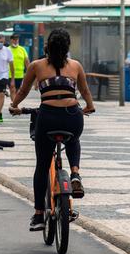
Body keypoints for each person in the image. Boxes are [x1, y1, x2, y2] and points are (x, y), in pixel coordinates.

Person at [10, 29, 95, 230]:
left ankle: (39, 214)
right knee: (73, 140)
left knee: (42, 165)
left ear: (47, 46)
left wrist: (14, 106)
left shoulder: (36, 66)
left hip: (47, 117)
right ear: (67, 48)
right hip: (72, 115)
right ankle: (75, 173)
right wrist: (89, 107)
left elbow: (22, 91)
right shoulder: (76, 66)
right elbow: (85, 91)